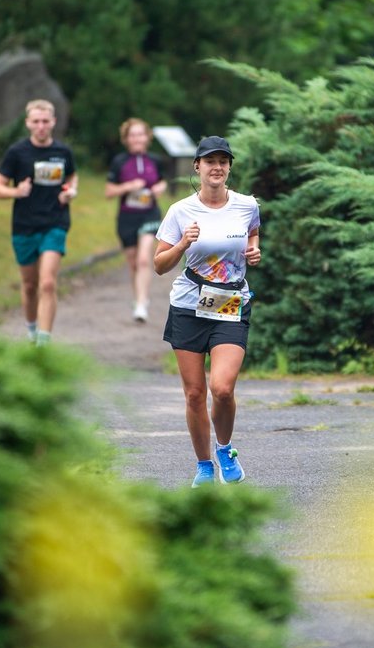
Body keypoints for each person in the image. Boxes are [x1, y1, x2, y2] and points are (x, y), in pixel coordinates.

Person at [154, 136, 261, 487]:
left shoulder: (246, 206)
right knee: (195, 394)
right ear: (197, 167)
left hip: (230, 302)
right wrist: (183, 243)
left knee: (223, 388)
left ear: (229, 167)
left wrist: (253, 250)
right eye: (209, 161)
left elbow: (252, 234)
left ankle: (225, 447)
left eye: (223, 161)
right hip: (188, 305)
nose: (217, 167)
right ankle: (203, 466)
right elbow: (159, 264)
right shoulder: (180, 211)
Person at [0, 99, 78, 346]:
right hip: (24, 226)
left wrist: (70, 192)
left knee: (48, 283)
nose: (41, 126)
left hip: (55, 222)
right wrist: (15, 192)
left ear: (53, 122)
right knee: (30, 285)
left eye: (45, 121)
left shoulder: (63, 152)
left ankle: (43, 342)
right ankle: (31, 331)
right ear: (28, 123)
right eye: (36, 121)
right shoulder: (17, 153)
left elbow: (71, 177)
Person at [105, 117, 168, 322]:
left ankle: (141, 304)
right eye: (133, 135)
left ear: (147, 137)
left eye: (141, 134)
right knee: (133, 263)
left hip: (149, 214)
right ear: (126, 138)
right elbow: (108, 191)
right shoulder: (119, 162)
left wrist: (160, 187)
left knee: (143, 259)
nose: (137, 138)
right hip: (127, 217)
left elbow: (162, 182)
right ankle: (138, 298)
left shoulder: (155, 160)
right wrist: (127, 186)